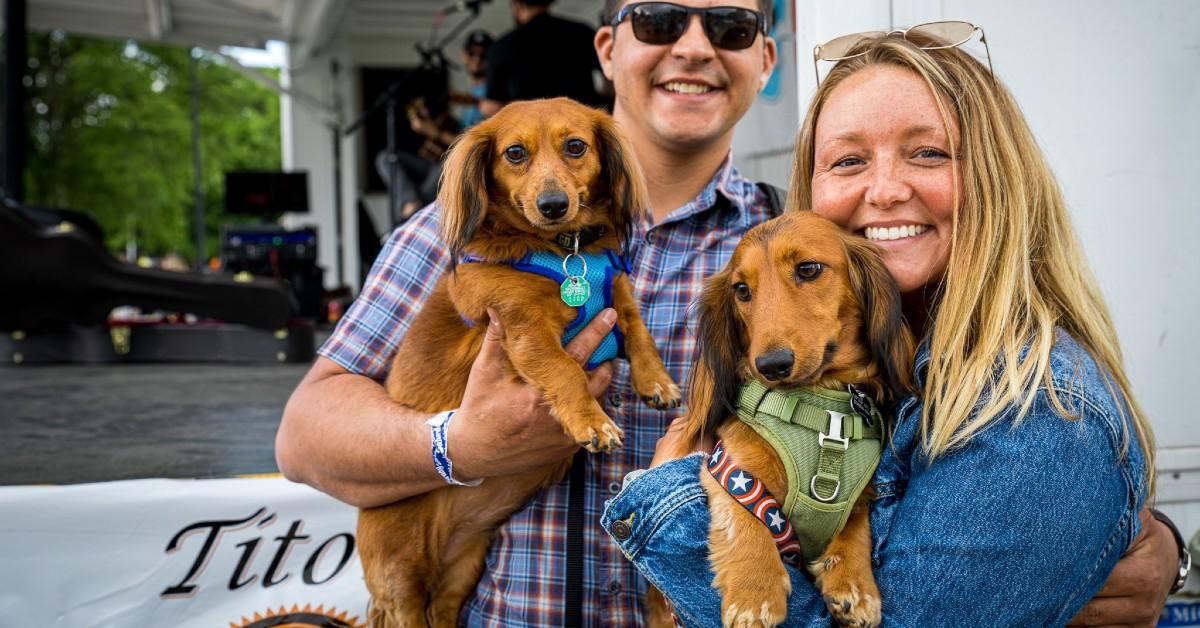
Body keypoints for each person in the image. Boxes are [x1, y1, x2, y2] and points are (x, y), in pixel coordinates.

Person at [276, 2, 1179, 625]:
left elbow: (924, 464)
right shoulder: (473, 229)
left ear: (764, 59)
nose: (694, 47)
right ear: (608, 49)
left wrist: (1124, 538)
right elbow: (306, 437)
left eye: (732, 26)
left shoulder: (799, 252)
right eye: (661, 21)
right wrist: (457, 446)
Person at [599, 23, 1180, 627]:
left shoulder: (1037, 417)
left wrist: (677, 496)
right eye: (848, 160)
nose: (882, 190)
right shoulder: (883, 372)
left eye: (927, 152)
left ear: (995, 177)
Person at [480, 0, 606, 116]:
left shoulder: (503, 46)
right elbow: (611, 77)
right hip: (584, 125)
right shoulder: (581, 32)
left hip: (533, 132)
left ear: (517, 5)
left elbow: (492, 107)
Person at [457, 30, 492, 130]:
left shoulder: (493, 92)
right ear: (463, 55)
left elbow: (475, 143)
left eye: (484, 55)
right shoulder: (472, 90)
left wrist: (435, 132)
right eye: (471, 53)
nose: (477, 59)